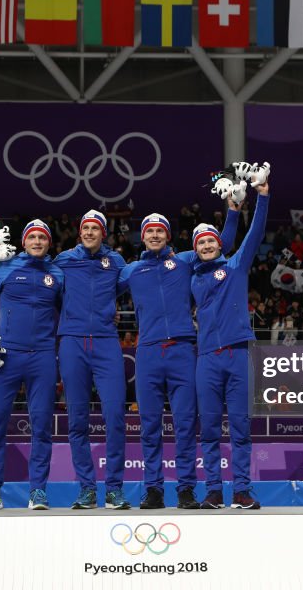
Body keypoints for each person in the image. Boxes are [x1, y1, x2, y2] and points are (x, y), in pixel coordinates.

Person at [117, 208, 236, 510]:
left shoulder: (185, 260)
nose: (154, 235)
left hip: (183, 350)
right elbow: (94, 286)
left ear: (168, 236)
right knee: (149, 425)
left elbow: (224, 244)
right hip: (147, 352)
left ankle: (185, 488)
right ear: (142, 237)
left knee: (185, 424)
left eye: (160, 231)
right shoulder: (131, 271)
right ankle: (154, 489)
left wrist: (233, 211)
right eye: (149, 231)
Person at [0, 220, 63, 511]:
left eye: (42, 237)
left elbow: (69, 309)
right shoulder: (4, 267)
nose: (37, 241)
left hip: (43, 358)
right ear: (23, 242)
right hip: (6, 357)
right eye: (32, 237)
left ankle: (38, 491)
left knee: (42, 427)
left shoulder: (57, 273)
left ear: (48, 243)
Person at [193, 180, 269, 510]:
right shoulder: (189, 274)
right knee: (209, 428)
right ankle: (213, 490)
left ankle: (241, 490)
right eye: (202, 243)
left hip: (238, 354)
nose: (208, 246)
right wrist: (231, 214)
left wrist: (261, 197)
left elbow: (255, 233)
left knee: (240, 428)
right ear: (195, 248)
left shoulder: (235, 266)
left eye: (212, 241)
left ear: (220, 244)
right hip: (207, 358)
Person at [55, 211, 130, 510]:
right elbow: (40, 274)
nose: (89, 232)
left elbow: (125, 287)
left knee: (115, 418)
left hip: (106, 342)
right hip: (72, 342)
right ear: (79, 232)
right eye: (84, 227)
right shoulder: (63, 259)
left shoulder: (117, 262)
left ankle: (114, 489)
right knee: (77, 421)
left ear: (103, 233)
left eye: (94, 228)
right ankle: (87, 489)